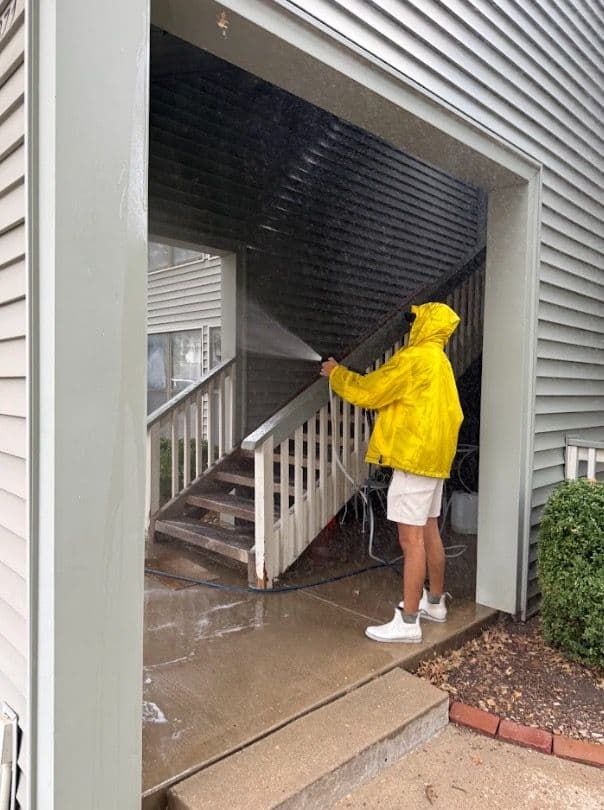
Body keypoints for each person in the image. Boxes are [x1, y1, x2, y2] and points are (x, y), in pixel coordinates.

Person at [320, 302, 463, 644]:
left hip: (413, 461)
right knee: (429, 531)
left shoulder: (415, 359)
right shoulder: (441, 363)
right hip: (434, 463)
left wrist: (336, 374)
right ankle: (435, 603)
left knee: (409, 541)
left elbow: (371, 391)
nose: (411, 325)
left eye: (415, 319)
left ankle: (409, 622)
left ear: (425, 323)